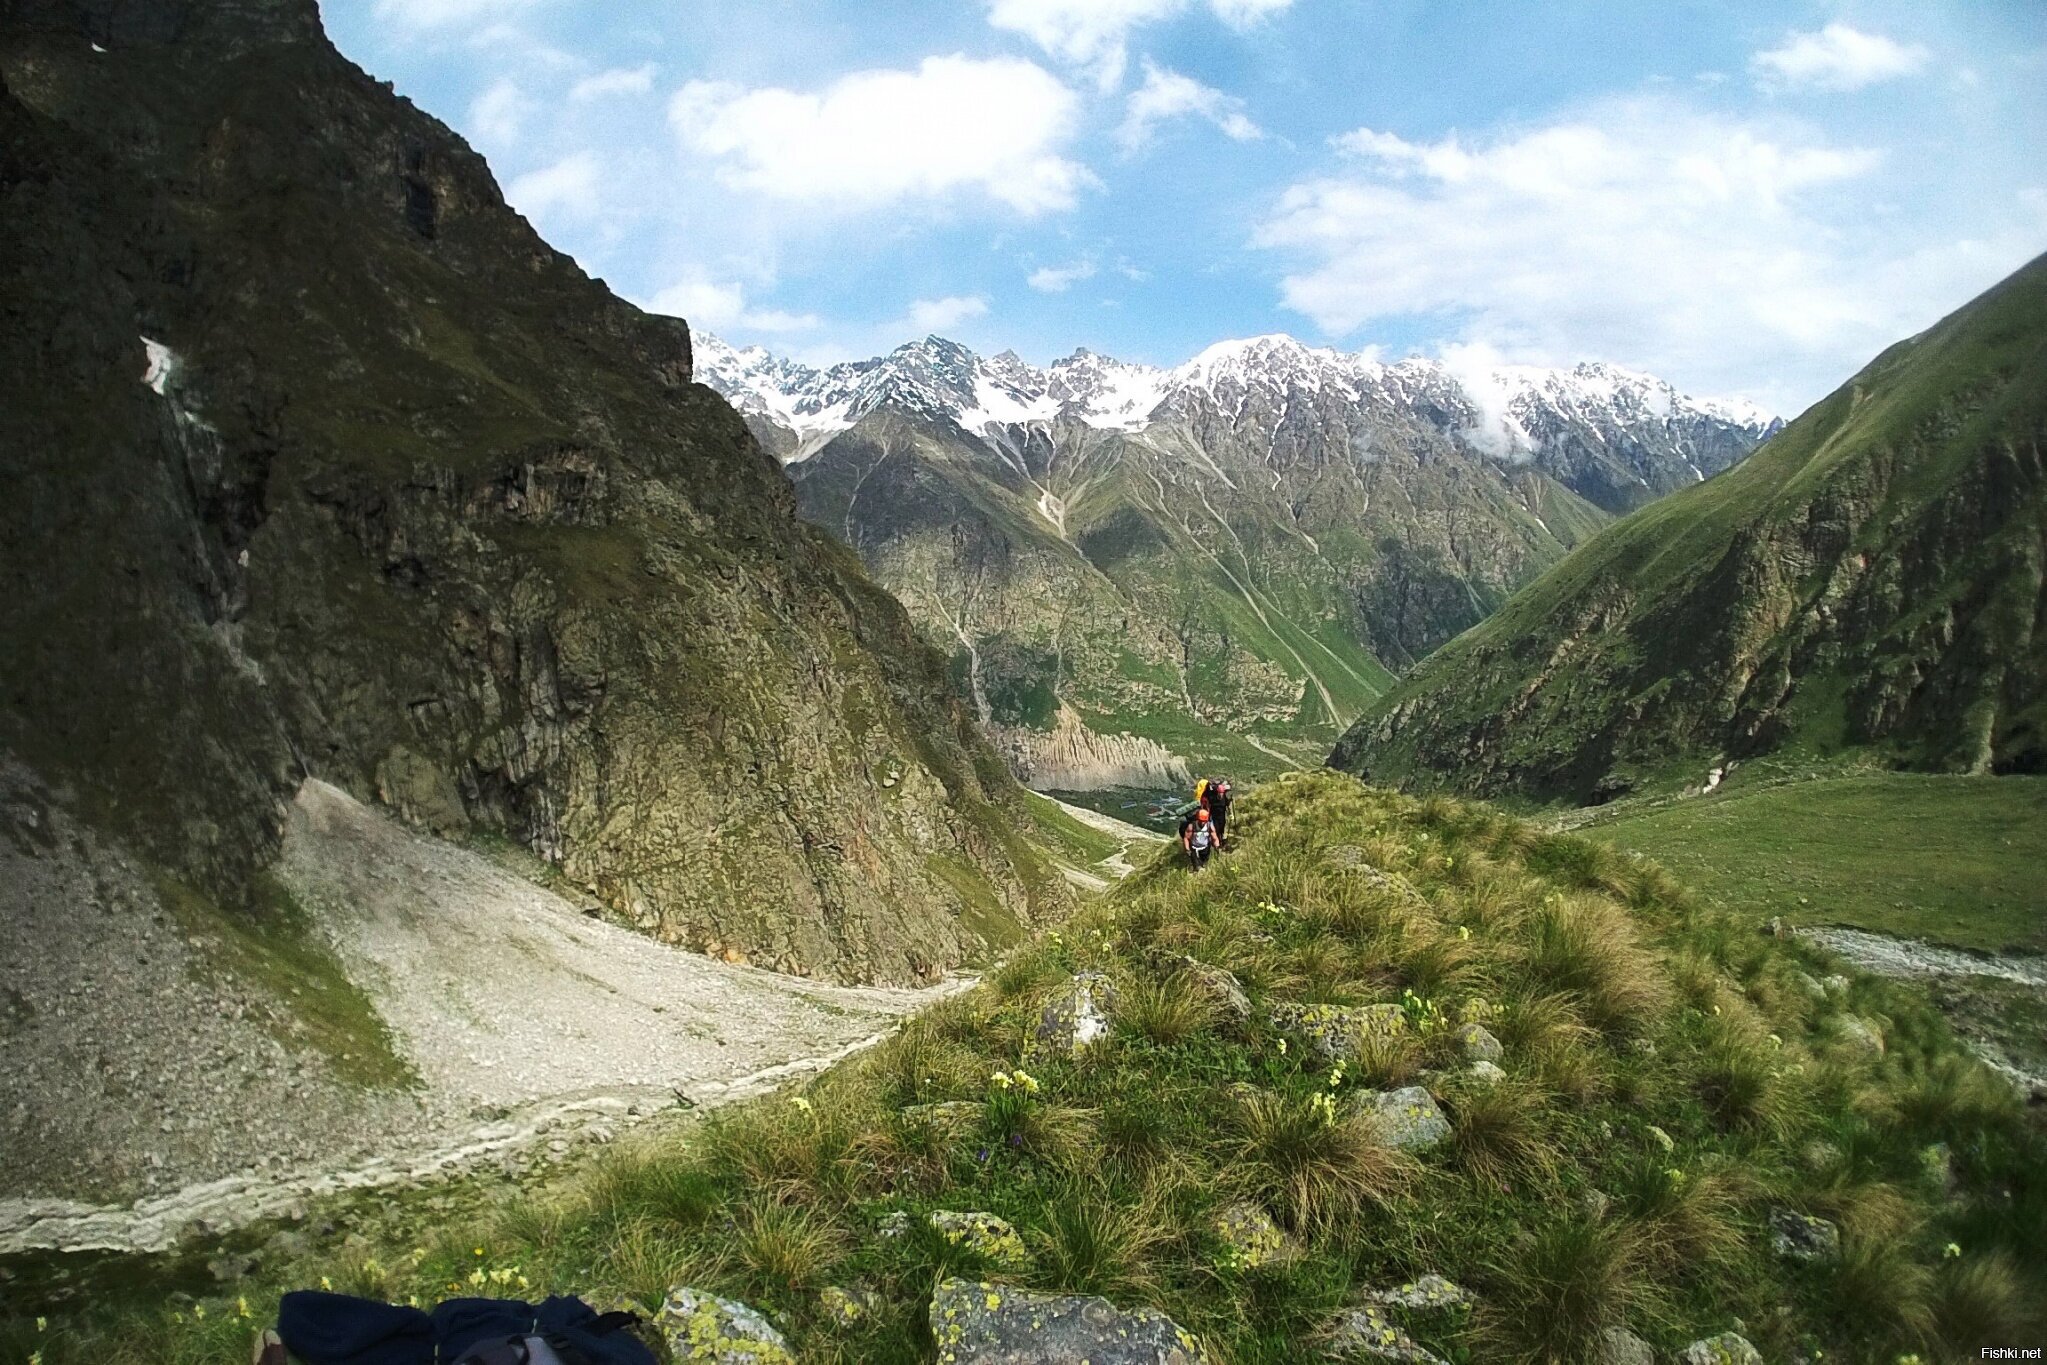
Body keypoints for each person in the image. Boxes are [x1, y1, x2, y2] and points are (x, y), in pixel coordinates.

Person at [1180, 805, 1218, 870]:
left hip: (1205, 848)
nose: (1203, 822)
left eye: (1204, 821)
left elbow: (1214, 838)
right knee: (1197, 867)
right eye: (1201, 820)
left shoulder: (1210, 826)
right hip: (1194, 848)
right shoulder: (1191, 826)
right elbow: (1186, 838)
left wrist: (1217, 847)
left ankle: (1203, 875)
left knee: (1204, 864)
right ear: (1198, 819)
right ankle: (1196, 871)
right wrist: (1187, 849)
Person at [1208, 778, 1233, 849]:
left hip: (1222, 817)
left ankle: (1221, 842)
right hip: (1214, 817)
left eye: (1222, 793)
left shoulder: (1224, 798)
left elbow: (1228, 805)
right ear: (1217, 792)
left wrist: (1231, 814)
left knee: (1222, 829)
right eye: (1219, 793)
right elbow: (1208, 805)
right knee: (1216, 830)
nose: (1220, 794)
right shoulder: (1212, 798)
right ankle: (1217, 844)